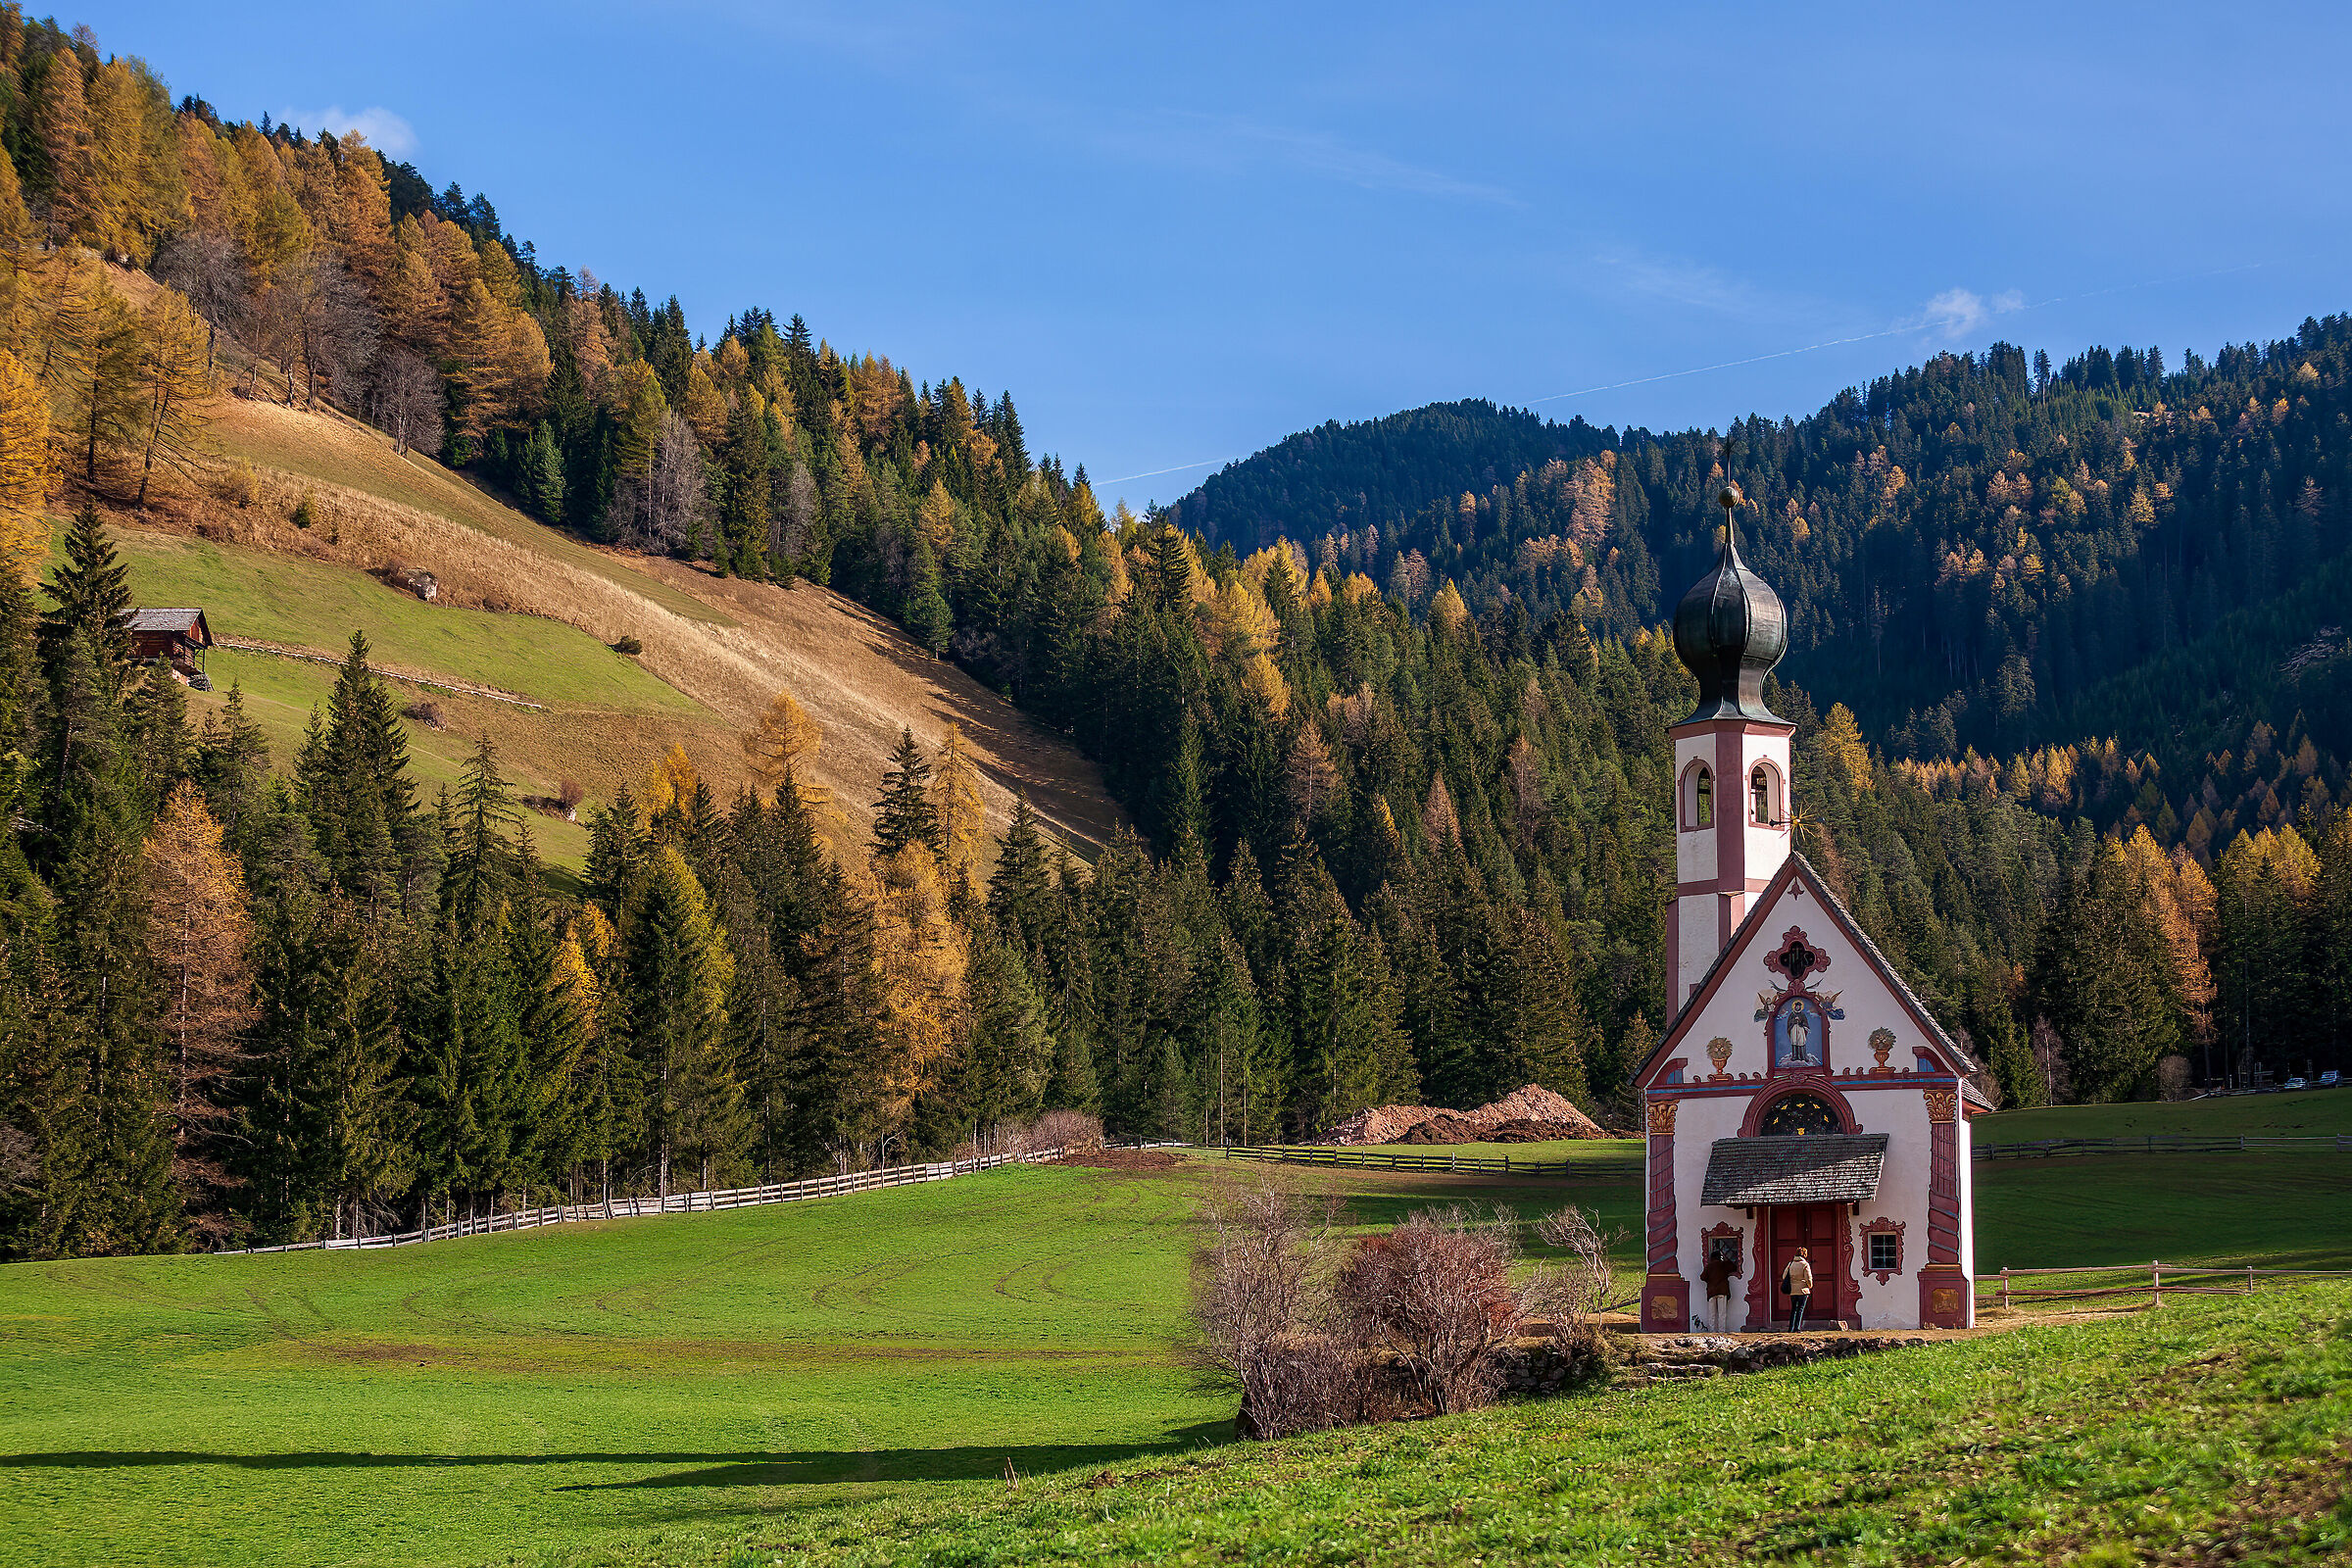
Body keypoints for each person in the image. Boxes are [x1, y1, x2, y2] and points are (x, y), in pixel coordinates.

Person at [1700, 1244, 1740, 1332]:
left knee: (1712, 1314)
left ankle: (1712, 1332)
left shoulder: (1709, 1266)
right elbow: (1733, 1267)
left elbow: (1702, 1277)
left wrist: (1710, 1280)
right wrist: (1726, 1258)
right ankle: (1722, 1332)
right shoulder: (1723, 1265)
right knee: (1722, 1313)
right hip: (1722, 1291)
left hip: (1711, 1291)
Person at [1780, 1247, 1814, 1332]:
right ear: (1805, 1255)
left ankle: (1790, 1328)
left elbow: (1784, 1276)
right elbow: (1808, 1278)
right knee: (1800, 1309)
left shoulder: (1791, 1263)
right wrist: (1810, 1286)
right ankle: (1797, 1328)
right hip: (1802, 1290)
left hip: (1793, 1290)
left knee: (1794, 1309)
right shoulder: (1805, 1264)